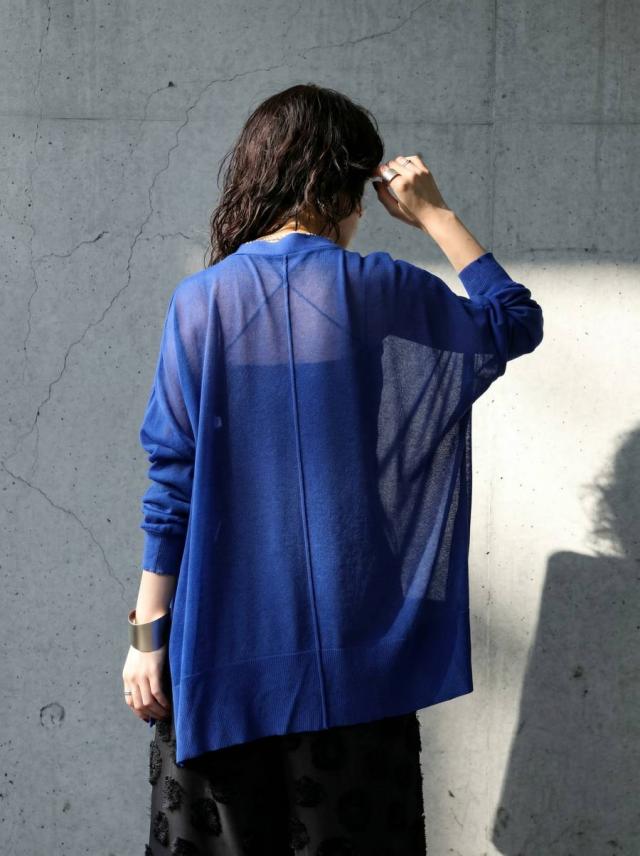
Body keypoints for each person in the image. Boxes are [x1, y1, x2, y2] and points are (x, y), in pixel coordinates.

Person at [122, 83, 544, 855]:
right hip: (356, 658)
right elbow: (512, 321)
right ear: (347, 186)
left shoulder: (201, 302)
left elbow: (171, 481)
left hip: (222, 655)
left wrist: (148, 638)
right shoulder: (380, 288)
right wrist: (433, 213)